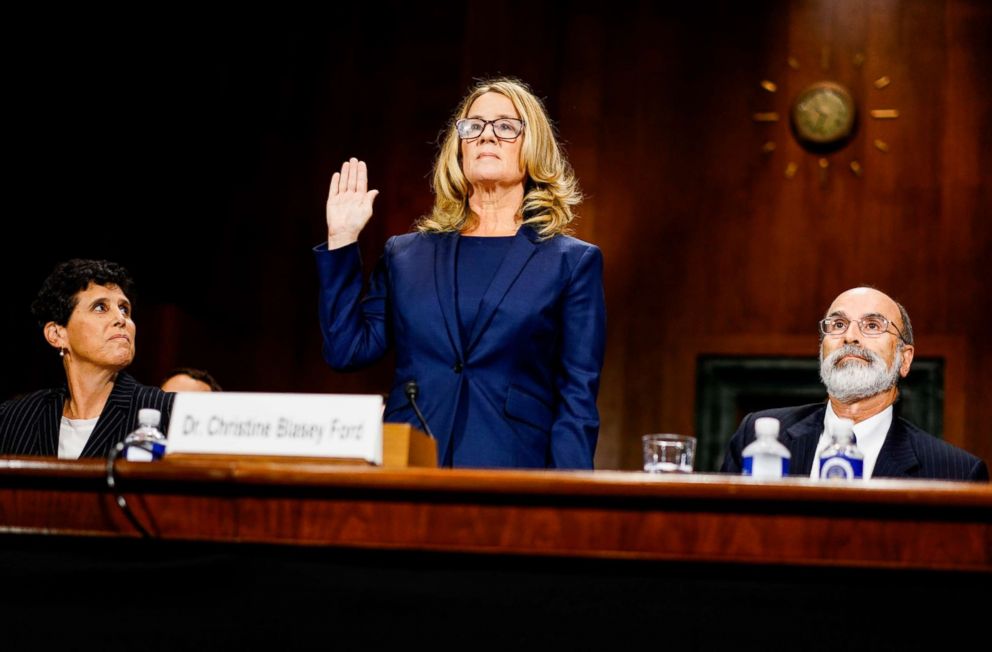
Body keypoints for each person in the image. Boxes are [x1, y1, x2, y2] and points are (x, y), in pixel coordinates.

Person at [314, 78, 605, 469]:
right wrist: (342, 239)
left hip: (512, 466)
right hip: (410, 465)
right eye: (474, 126)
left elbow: (577, 401)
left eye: (505, 126)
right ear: (459, 148)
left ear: (532, 146)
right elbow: (347, 350)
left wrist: (569, 501)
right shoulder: (405, 254)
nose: (487, 136)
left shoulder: (571, 262)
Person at [721, 287, 988, 481]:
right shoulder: (758, 436)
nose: (850, 336)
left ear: (904, 360)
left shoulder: (956, 472)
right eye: (838, 324)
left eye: (872, 326)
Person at [0, 259, 173, 458]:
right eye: (100, 307)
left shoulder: (167, 412)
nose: (121, 319)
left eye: (124, 309)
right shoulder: (14, 419)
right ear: (56, 334)